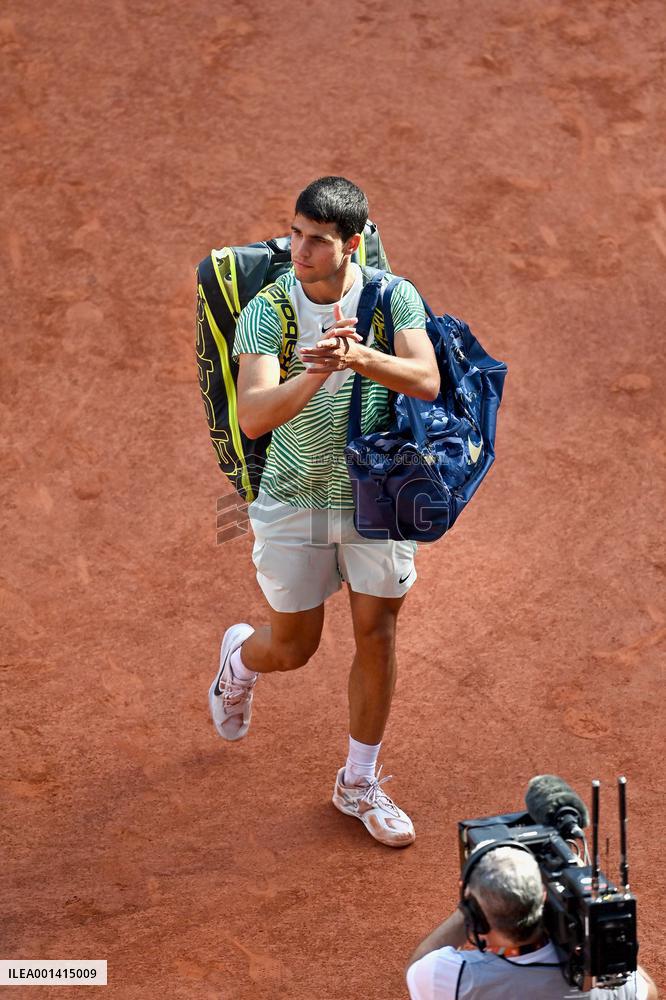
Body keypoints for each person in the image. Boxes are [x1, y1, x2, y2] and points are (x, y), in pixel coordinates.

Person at [208, 175, 440, 847]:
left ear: (353, 243)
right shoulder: (269, 309)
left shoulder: (393, 298)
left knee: (378, 633)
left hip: (376, 496)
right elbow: (252, 418)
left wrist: (358, 356)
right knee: (294, 647)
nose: (299, 250)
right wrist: (314, 371)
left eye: (317, 240)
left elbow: (424, 379)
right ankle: (239, 664)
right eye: (295, 234)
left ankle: (357, 783)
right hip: (294, 500)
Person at [405, 846, 658, 999]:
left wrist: (467, 910)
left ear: (476, 916)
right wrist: (596, 922)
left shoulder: (451, 978)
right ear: (544, 897)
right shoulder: (608, 981)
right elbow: (649, 992)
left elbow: (417, 967)